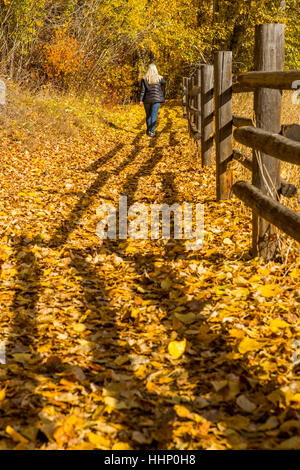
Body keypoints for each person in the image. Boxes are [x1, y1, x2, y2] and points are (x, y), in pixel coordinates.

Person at [139, 64, 166, 137]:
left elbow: (142, 91)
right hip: (156, 100)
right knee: (154, 115)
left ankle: (148, 130)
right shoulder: (159, 78)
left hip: (147, 100)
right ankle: (152, 131)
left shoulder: (144, 79)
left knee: (148, 115)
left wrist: (141, 100)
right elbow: (164, 83)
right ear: (155, 70)